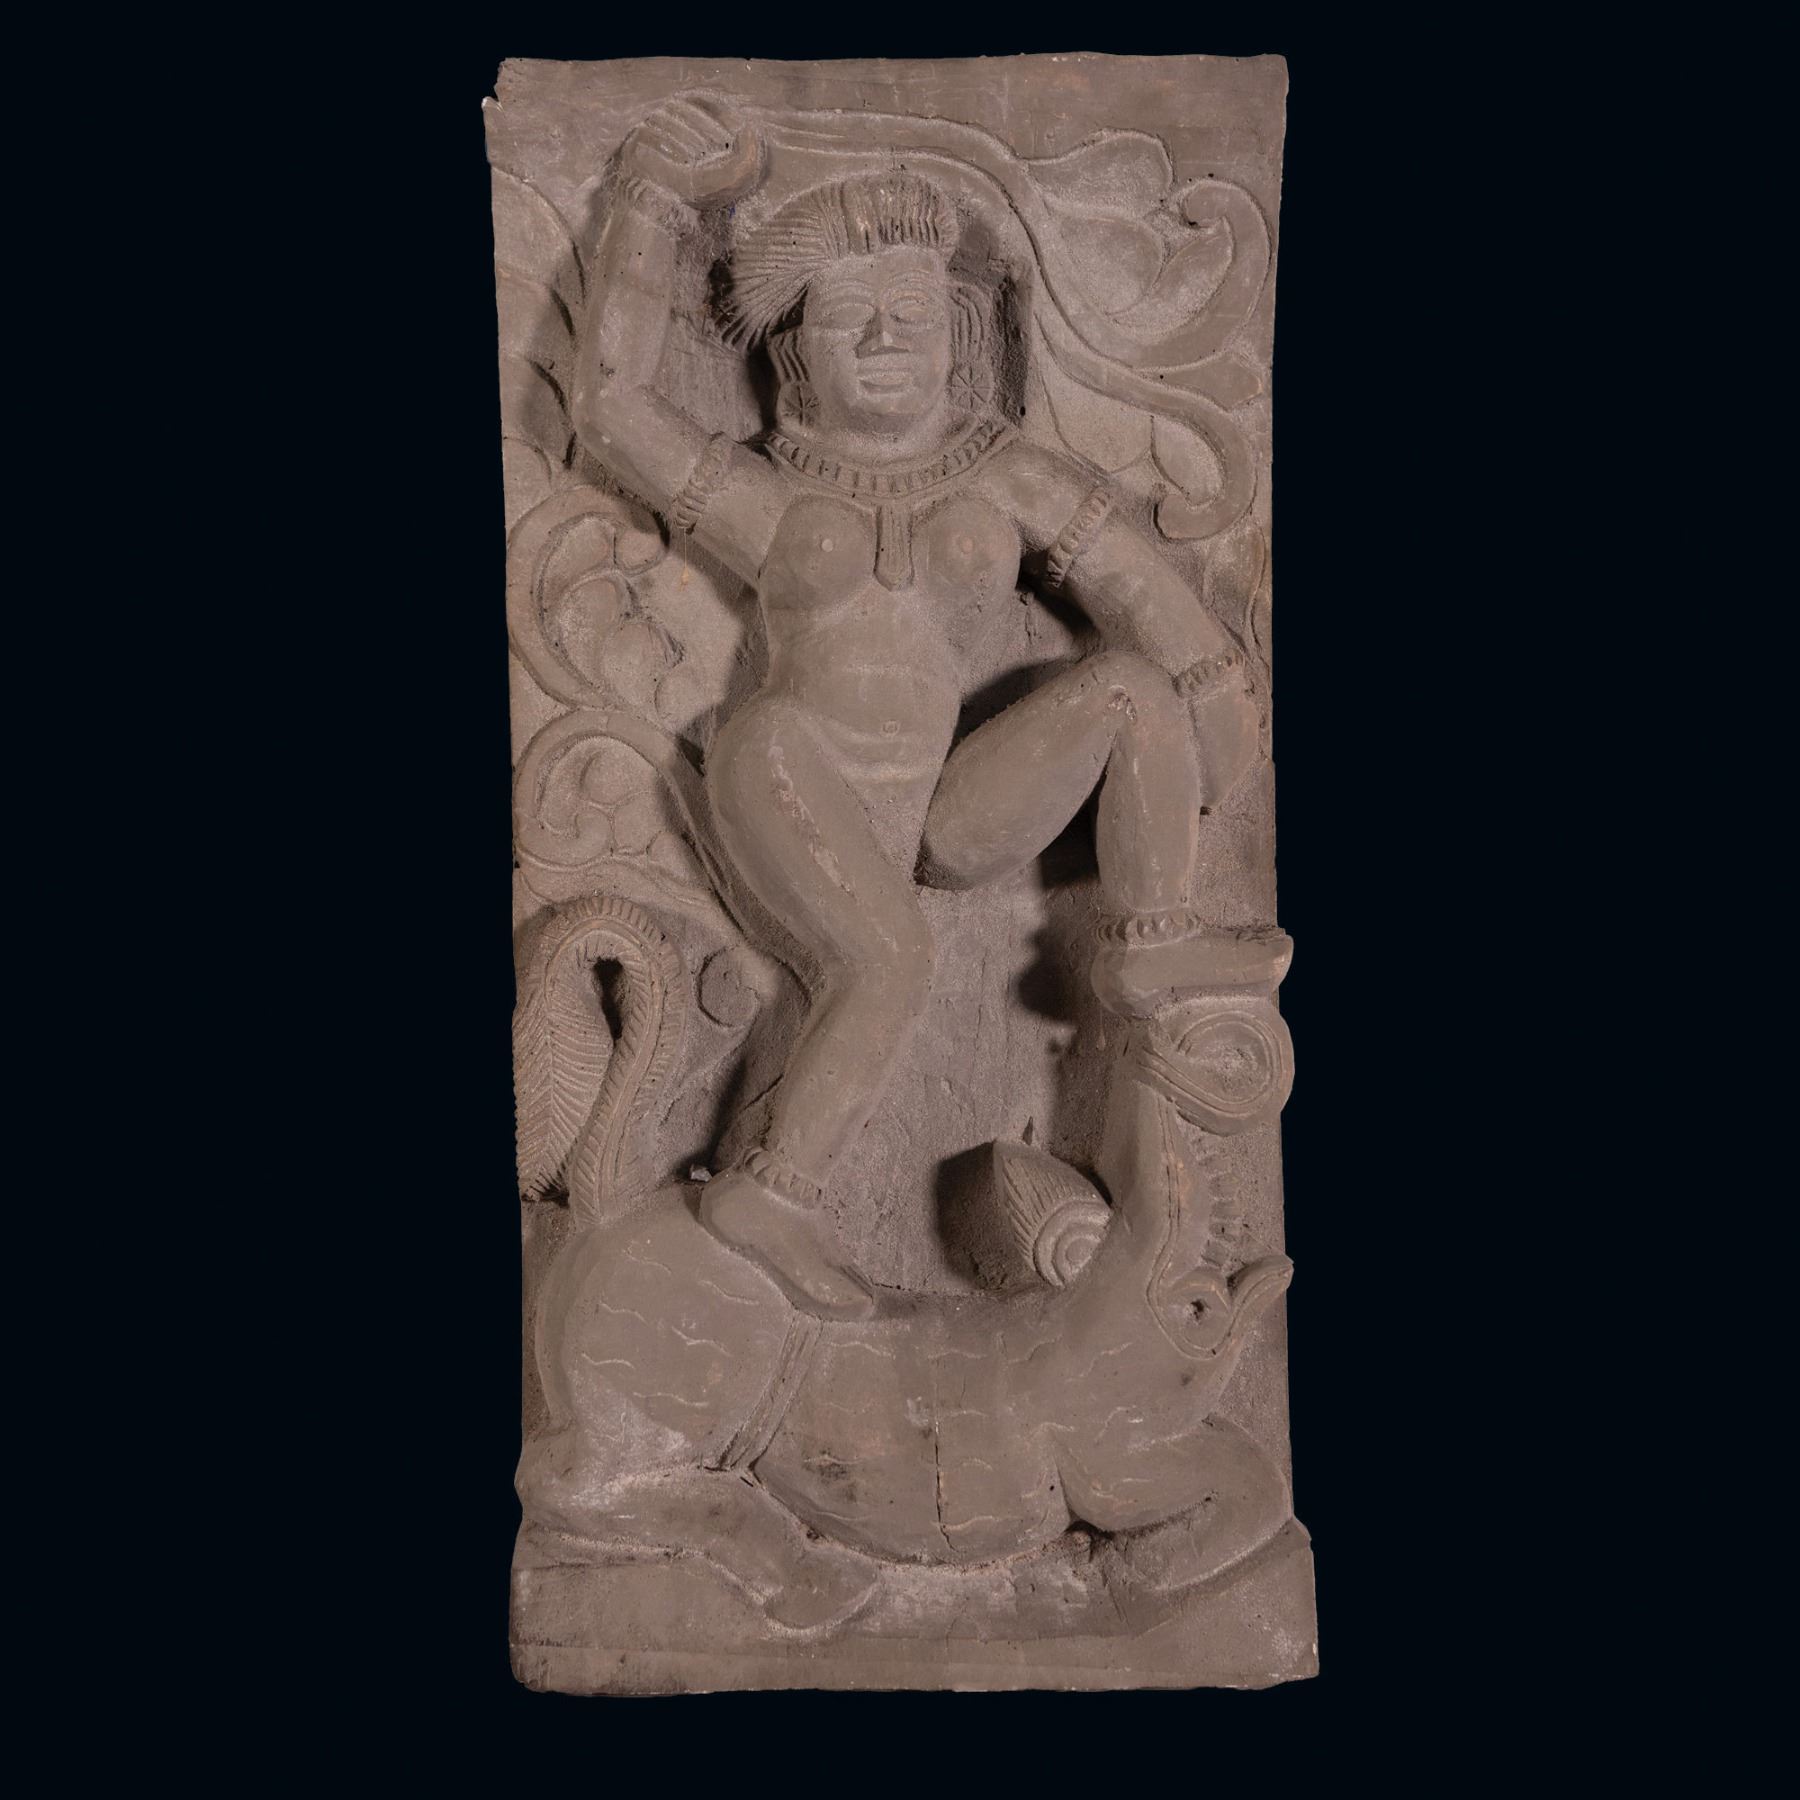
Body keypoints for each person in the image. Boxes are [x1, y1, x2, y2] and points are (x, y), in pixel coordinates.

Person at [574, 95, 1277, 1319]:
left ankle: (1157, 953)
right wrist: (647, 202)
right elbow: (611, 411)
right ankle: (770, 1195)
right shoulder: (773, 500)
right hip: (794, 766)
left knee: (1127, 691)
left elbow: (1147, 599)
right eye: (849, 315)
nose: (884, 336)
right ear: (798, 355)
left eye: (909, 309)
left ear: (956, 332)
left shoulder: (1004, 476)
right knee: (886, 959)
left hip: (940, 805)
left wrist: (1218, 702)